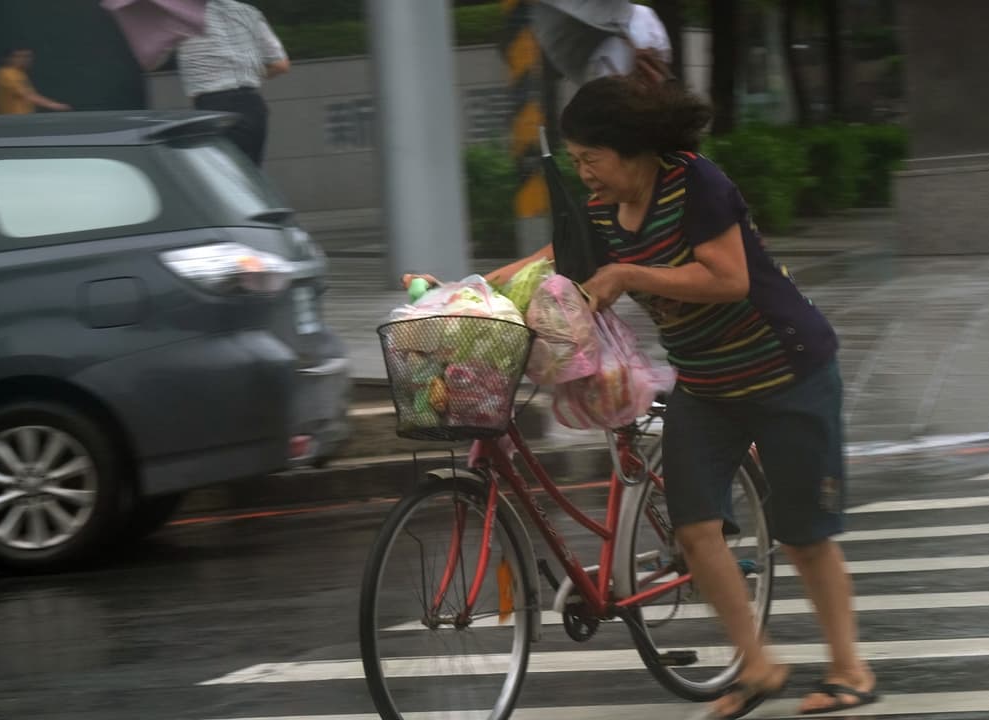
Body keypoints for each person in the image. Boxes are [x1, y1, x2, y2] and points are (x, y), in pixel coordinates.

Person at [404, 76, 878, 719]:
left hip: (786, 372)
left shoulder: (695, 183)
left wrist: (627, 273)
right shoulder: (602, 209)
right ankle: (757, 665)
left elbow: (729, 278)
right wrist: (464, 293)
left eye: (591, 159)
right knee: (695, 530)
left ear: (634, 150)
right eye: (576, 160)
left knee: (805, 536)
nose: (584, 174)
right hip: (706, 385)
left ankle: (850, 669)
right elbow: (551, 261)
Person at [176, 0, 290, 166]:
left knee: (223, 174)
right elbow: (281, 65)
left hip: (213, 108)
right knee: (249, 174)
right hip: (253, 106)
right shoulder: (250, 13)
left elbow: (151, 60)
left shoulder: (180, 16)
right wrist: (247, 72)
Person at [0, 48, 71, 115]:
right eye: (19, 56)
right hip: (10, 124)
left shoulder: (19, 74)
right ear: (8, 58)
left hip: (18, 122)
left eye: (27, 56)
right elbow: (27, 95)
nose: (25, 59)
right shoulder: (5, 74)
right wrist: (54, 105)